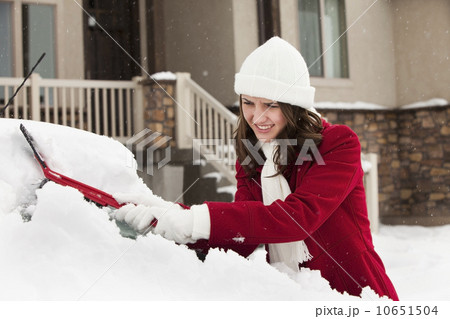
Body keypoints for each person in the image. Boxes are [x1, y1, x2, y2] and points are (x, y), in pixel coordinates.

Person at [114, 37, 399, 300]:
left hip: (356, 295)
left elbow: (296, 218)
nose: (256, 116)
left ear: (294, 106)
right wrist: (168, 227)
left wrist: (191, 220)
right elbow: (243, 240)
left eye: (270, 105)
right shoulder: (253, 156)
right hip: (294, 295)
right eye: (248, 102)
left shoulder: (338, 144)